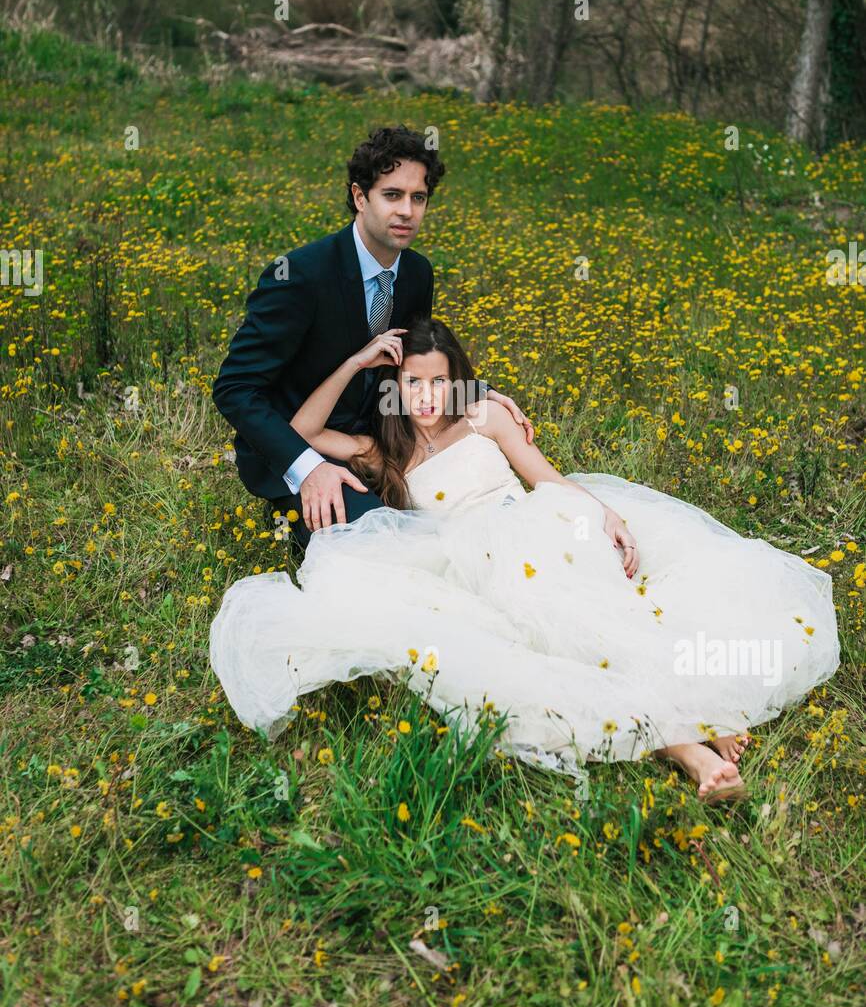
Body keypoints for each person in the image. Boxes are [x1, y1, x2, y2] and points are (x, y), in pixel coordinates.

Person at [210, 317, 840, 805]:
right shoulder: (384, 451)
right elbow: (303, 429)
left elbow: (545, 477)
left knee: (610, 620)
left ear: (457, 380)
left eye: (437, 381)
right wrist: (355, 361)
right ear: (394, 387)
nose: (425, 396)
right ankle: (696, 751)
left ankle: (705, 713)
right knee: (562, 645)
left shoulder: (485, 419)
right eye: (412, 383)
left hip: (540, 531)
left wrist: (604, 513)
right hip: (471, 558)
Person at [211, 124, 532, 549]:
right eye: (392, 195)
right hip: (305, 441)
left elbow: (417, 359)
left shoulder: (417, 272)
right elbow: (235, 388)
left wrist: (478, 390)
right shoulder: (300, 276)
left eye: (418, 198)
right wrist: (307, 467)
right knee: (380, 547)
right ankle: (291, 507)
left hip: (380, 441)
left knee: (468, 530)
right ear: (361, 197)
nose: (407, 211)